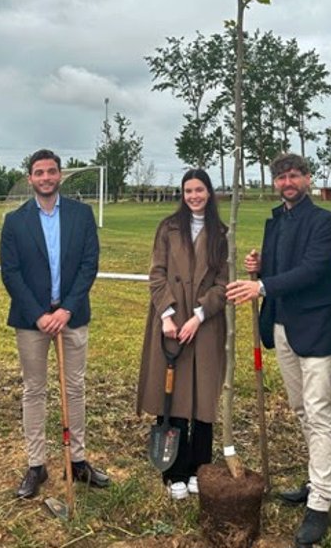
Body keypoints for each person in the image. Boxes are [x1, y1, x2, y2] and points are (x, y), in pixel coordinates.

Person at [226, 153, 331, 546]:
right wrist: (258, 267)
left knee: (319, 410)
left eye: (294, 175)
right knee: (299, 408)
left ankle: (322, 501)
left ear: (308, 178)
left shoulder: (324, 222)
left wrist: (260, 287)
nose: (287, 182)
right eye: (281, 177)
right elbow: (279, 273)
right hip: (282, 326)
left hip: (316, 328)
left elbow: (313, 269)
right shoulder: (275, 220)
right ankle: (321, 480)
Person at [0, 148, 109, 499]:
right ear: (30, 178)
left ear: (60, 175)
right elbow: (11, 273)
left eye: (51, 171)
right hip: (32, 321)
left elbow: (89, 264)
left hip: (72, 317)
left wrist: (66, 310)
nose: (45, 177)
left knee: (74, 388)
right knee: (34, 390)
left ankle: (76, 460)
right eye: (38, 172)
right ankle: (36, 465)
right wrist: (39, 314)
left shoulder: (81, 214)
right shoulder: (15, 221)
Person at [137, 169, 228, 500]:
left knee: (202, 395)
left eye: (199, 190)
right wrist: (168, 315)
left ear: (209, 192)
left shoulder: (220, 232)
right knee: (172, 393)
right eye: (188, 190)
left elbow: (221, 283)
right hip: (171, 321)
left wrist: (201, 315)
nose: (194, 196)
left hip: (204, 323)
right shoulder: (168, 228)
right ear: (182, 193)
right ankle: (174, 469)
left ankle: (198, 467)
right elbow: (156, 273)